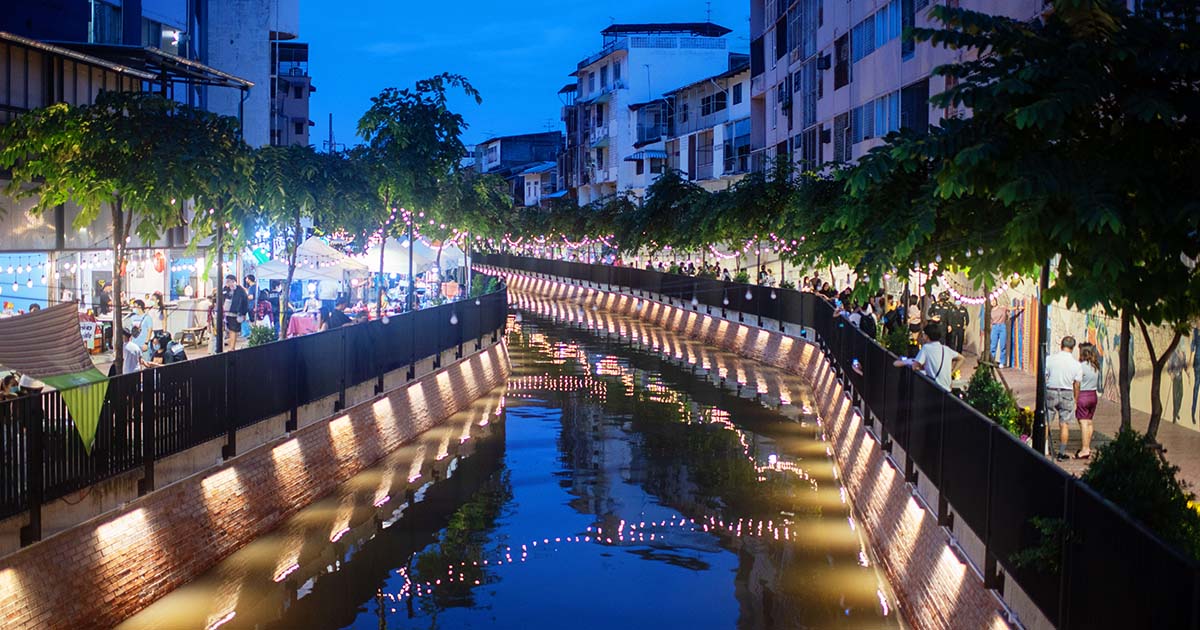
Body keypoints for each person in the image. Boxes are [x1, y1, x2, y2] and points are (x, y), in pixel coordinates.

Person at [1045, 336, 1083, 461]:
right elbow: (1077, 384)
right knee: (1064, 424)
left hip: (1051, 390)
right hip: (1067, 393)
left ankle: (1043, 449)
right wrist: (1076, 400)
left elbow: (1045, 375)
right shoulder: (1076, 365)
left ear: (1061, 345)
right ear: (1073, 348)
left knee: (1046, 421)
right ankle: (1061, 453)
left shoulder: (1050, 359)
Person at [896, 323, 962, 392]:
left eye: (924, 334)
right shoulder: (945, 348)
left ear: (927, 336)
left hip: (935, 388)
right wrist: (951, 372)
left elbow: (914, 366)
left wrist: (908, 362)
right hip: (947, 390)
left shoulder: (926, 348)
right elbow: (961, 358)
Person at [1075, 342, 1101, 459]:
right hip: (1093, 395)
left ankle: (1085, 449)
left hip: (1083, 396)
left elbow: (1077, 384)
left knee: (1083, 422)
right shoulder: (1095, 366)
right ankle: (1088, 446)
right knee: (1089, 421)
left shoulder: (1081, 367)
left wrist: (1075, 399)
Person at [990, 297, 1024, 367]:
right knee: (993, 346)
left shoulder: (1002, 308)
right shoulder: (990, 311)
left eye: (994, 301)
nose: (993, 302)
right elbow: (990, 322)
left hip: (1002, 326)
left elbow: (1010, 308)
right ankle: (991, 360)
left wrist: (1018, 308)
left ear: (996, 301)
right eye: (991, 301)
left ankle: (1002, 362)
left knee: (1003, 345)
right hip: (994, 327)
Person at [222, 274, 250, 351]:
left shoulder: (240, 290)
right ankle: (231, 346)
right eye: (226, 281)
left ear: (233, 281)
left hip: (236, 312)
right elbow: (222, 298)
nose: (227, 283)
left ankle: (232, 347)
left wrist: (244, 313)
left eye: (229, 281)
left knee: (233, 329)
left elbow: (245, 302)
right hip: (226, 313)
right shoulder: (225, 289)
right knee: (229, 329)